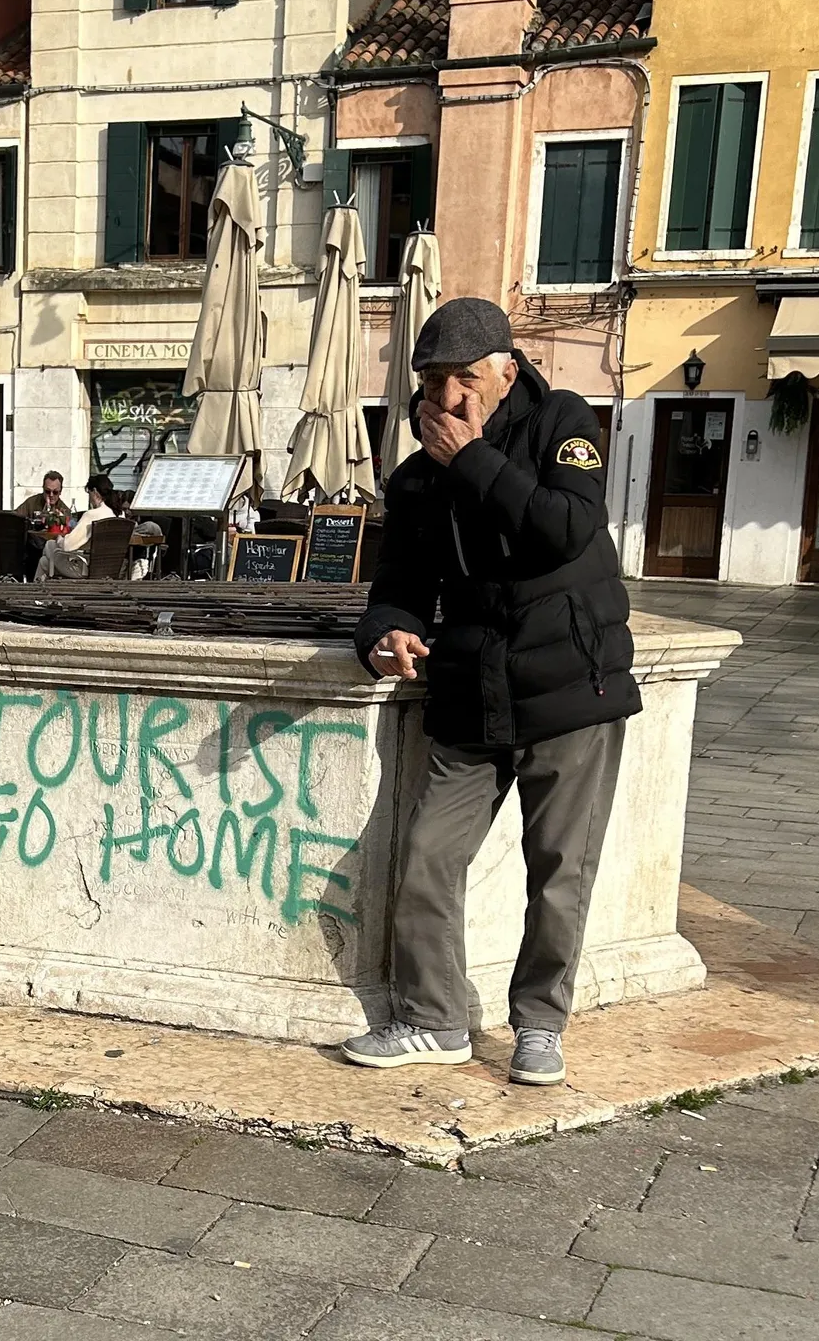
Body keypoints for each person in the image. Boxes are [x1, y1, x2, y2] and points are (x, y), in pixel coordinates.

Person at [340, 297, 640, 1087]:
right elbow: (397, 585)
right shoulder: (414, 479)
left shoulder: (563, 424)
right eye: (435, 382)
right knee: (427, 859)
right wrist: (386, 634)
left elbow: (565, 529)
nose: (450, 400)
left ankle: (540, 1024)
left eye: (466, 379)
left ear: (507, 371)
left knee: (560, 870)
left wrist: (471, 459)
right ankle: (434, 1020)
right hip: (472, 691)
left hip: (573, 685)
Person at [34, 475, 124, 580]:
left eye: (89, 493)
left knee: (49, 545)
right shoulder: (119, 514)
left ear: (94, 491)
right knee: (44, 562)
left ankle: (34, 592)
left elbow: (67, 546)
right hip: (110, 568)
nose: (89, 499)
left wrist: (59, 538)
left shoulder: (92, 515)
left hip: (84, 570)